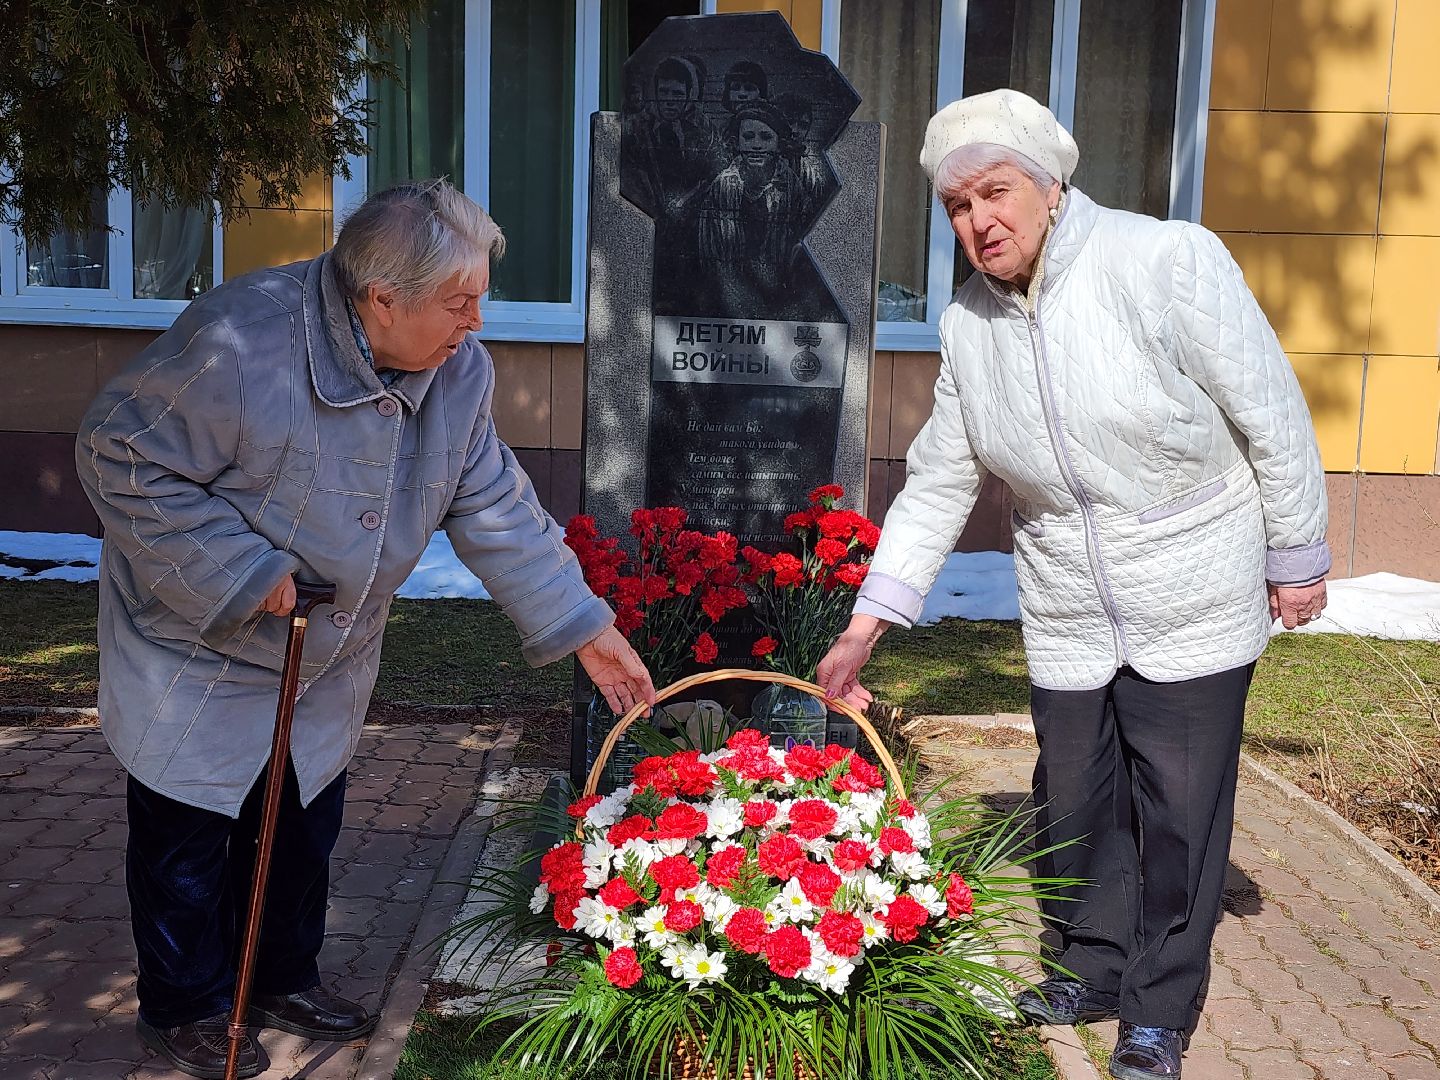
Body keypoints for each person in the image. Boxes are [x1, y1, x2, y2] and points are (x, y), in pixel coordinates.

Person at [75, 179, 656, 1079]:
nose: (476, 322)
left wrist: (585, 626)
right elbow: (119, 452)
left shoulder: (456, 368)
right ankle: (183, 1003)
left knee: (302, 817)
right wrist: (243, 565)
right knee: (187, 832)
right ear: (381, 298)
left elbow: (492, 498)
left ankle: (280, 976)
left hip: (326, 646)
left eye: (480, 300)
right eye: (458, 304)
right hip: (197, 635)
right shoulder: (241, 342)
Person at [816, 89, 1329, 1080]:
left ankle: (1157, 1006)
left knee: (1180, 811)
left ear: (1052, 187)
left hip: (1192, 575)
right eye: (958, 207)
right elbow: (943, 477)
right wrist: (869, 620)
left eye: (996, 193)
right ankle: (1089, 966)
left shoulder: (1162, 260)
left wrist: (1296, 555)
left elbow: (1270, 409)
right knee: (1077, 794)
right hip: (1065, 599)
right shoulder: (969, 325)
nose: (979, 222)